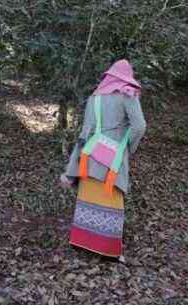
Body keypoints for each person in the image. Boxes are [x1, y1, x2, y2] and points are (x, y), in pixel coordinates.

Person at [60, 59, 146, 261]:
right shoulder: (127, 94)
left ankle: (84, 244)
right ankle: (108, 251)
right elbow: (139, 126)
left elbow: (84, 133)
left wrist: (71, 169)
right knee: (110, 200)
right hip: (112, 159)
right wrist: (126, 147)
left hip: (90, 155)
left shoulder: (94, 98)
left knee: (89, 198)